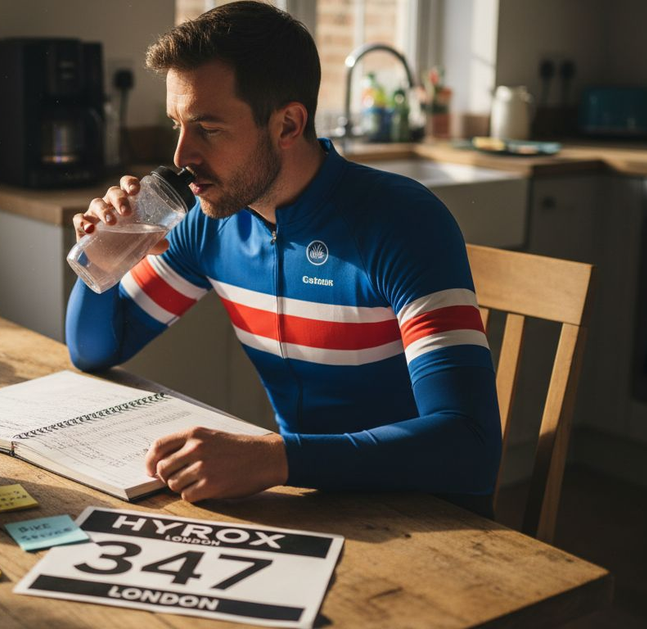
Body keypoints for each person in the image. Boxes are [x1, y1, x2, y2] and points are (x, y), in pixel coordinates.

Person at [65, 1, 501, 516]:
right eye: (177, 125)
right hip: (310, 502)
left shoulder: (402, 224)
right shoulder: (211, 222)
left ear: (288, 125)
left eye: (208, 127)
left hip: (428, 518)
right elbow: (92, 349)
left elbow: (469, 448)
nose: (181, 156)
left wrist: (276, 460)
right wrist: (110, 252)